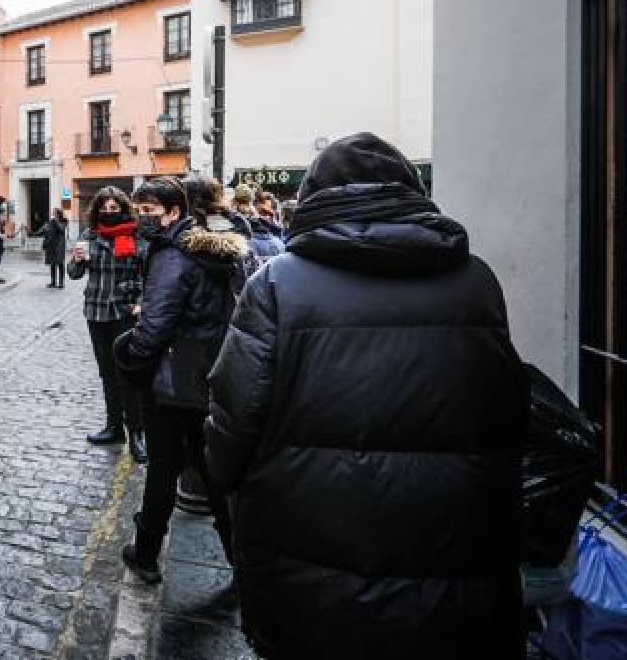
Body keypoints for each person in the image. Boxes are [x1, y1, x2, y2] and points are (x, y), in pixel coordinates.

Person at [204, 133, 528, 660]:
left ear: (311, 199)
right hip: (451, 552)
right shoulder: (476, 282)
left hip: (306, 554)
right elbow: (507, 407)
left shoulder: (277, 285)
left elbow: (230, 430)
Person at [112, 176, 250, 585]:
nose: (142, 220)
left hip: (172, 382)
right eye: (139, 212)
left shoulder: (173, 255)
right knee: (214, 474)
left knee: (163, 470)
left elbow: (154, 330)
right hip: (209, 375)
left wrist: (129, 354)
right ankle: (238, 561)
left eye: (149, 212)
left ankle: (146, 553)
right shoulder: (215, 249)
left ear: (174, 212)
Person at [68, 187, 147, 464]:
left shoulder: (136, 236)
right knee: (107, 373)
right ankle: (114, 428)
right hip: (96, 312)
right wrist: (77, 260)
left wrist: (139, 300)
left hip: (124, 312)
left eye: (115, 208)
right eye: (105, 208)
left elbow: (144, 273)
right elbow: (75, 274)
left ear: (124, 209)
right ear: (97, 210)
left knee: (128, 374)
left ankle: (137, 433)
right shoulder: (90, 236)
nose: (109, 213)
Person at [37, 209, 68, 288]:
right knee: (52, 263)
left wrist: (55, 221)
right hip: (51, 245)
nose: (53, 214)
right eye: (53, 213)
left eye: (54, 213)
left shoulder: (64, 221)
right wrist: (36, 231)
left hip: (59, 246)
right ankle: (53, 282)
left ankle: (61, 283)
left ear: (59, 214)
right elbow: (45, 231)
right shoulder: (51, 222)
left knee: (60, 263)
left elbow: (61, 229)